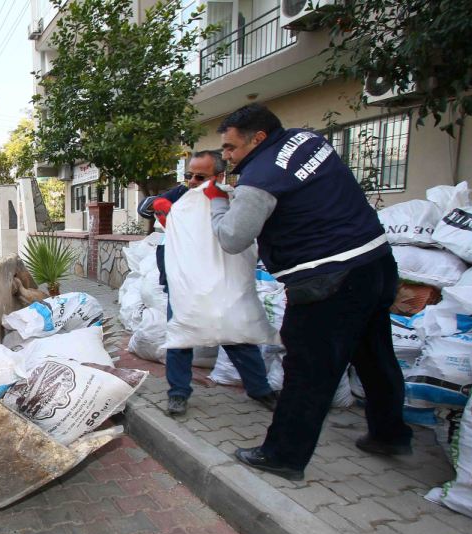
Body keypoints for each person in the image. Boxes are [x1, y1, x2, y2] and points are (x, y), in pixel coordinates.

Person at [206, 103, 411, 481]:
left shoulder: (261, 177)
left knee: (307, 371)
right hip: (377, 265)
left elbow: (233, 238)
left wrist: (218, 205)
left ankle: (283, 455)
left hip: (328, 282)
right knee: (375, 355)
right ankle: (390, 434)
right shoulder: (308, 140)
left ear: (259, 138)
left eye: (232, 148)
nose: (227, 156)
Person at [137, 150, 279, 417]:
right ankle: (178, 393)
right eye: (188, 175)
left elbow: (237, 237)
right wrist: (158, 206)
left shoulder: (229, 200)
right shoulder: (180, 196)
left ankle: (260, 389)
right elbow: (147, 206)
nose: (191, 181)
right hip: (184, 285)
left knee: (235, 336)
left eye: (199, 176)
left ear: (219, 175)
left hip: (220, 282)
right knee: (181, 339)